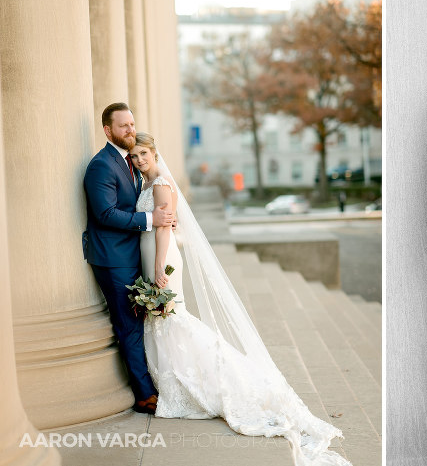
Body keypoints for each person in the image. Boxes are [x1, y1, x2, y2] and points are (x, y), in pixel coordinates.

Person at [129, 132, 351, 466]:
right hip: (149, 253)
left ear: (154, 152)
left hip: (162, 256)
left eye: (143, 153)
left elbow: (164, 229)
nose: (139, 160)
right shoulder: (143, 184)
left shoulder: (160, 184)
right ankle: (173, 380)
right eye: (134, 156)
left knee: (172, 316)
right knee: (163, 318)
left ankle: (201, 380)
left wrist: (160, 269)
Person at [83, 103, 174, 415]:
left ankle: (153, 383)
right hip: (112, 256)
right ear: (108, 131)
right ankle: (145, 394)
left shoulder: (132, 161)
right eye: (123, 126)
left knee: (140, 320)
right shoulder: (101, 165)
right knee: (128, 324)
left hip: (133, 252)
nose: (130, 131)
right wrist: (151, 219)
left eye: (132, 124)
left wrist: (166, 219)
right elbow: (105, 213)